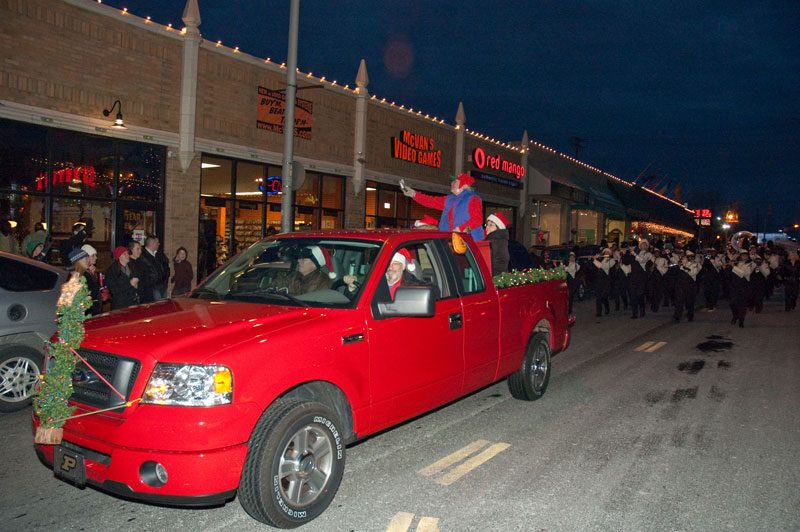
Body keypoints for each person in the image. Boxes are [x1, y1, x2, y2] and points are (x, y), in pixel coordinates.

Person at [401, 173, 485, 241]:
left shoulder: (472, 198)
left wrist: (460, 229)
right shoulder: (449, 199)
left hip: (471, 243)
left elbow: (477, 220)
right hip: (451, 240)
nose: (451, 183)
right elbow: (430, 201)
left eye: (455, 181)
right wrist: (414, 194)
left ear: (462, 185)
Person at [105, 246, 140, 310]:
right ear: (119, 256)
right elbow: (114, 290)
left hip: (133, 302)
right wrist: (130, 284)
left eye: (127, 253)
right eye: (124, 254)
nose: (127, 255)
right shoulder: (112, 271)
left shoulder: (131, 267)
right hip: (120, 304)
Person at [137, 235, 170, 302]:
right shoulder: (143, 256)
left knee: (163, 305)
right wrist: (152, 283)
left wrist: (165, 281)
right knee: (157, 305)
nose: (159, 244)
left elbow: (166, 267)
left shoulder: (158, 254)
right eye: (157, 242)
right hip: (153, 287)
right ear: (152, 243)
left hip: (162, 285)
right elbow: (147, 272)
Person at [673, 250, 700, 323]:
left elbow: (693, 272)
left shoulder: (696, 264)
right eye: (689, 257)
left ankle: (690, 316)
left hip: (690, 284)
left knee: (690, 302)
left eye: (692, 257)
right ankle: (677, 317)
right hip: (681, 284)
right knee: (679, 301)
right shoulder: (683, 262)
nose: (691, 258)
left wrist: (682, 267)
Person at [729, 250, 753, 327]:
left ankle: (741, 320)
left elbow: (743, 273)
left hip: (744, 286)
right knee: (733, 303)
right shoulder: (738, 263)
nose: (744, 256)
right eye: (743, 255)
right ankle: (735, 316)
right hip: (735, 286)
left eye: (746, 255)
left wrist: (734, 266)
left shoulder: (750, 264)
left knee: (742, 305)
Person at [80, 244, 104, 316]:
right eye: (93, 255)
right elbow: (90, 291)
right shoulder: (83, 273)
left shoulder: (92, 271)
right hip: (88, 309)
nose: (96, 258)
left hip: (94, 307)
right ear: (86, 258)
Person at [484, 212, 510, 276]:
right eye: (487, 224)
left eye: (491, 225)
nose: (487, 227)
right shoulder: (497, 240)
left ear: (498, 227)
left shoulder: (496, 241)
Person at [592, 248, 615, 317]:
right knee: (598, 296)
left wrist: (595, 260)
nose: (606, 254)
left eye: (607, 253)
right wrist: (594, 259)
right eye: (605, 253)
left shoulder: (612, 260)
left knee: (604, 296)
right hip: (599, 280)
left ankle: (607, 307)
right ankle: (599, 312)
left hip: (606, 281)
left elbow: (603, 266)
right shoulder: (600, 260)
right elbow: (592, 267)